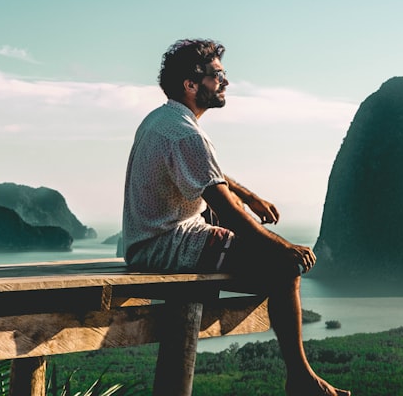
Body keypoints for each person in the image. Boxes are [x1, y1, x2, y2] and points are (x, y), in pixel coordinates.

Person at [119, 39, 349, 396]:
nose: (225, 82)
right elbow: (223, 207)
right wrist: (283, 247)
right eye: (218, 75)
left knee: (237, 227)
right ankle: (300, 378)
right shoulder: (185, 134)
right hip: (166, 247)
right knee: (283, 267)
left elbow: (210, 177)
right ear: (190, 84)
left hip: (146, 240)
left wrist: (250, 197)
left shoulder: (163, 119)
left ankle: (300, 375)